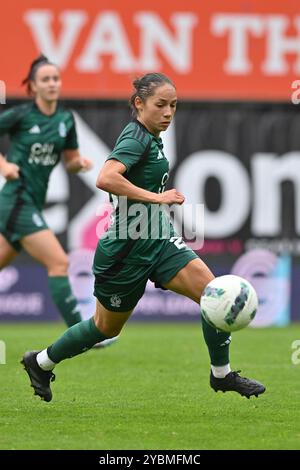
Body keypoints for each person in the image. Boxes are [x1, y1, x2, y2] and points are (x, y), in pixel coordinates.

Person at [21, 72, 266, 402]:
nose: (168, 112)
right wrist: (157, 198)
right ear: (139, 103)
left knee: (213, 295)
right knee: (104, 328)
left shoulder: (152, 136)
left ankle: (221, 375)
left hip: (159, 240)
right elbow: (106, 178)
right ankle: (40, 362)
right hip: (125, 251)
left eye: (174, 106)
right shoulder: (135, 137)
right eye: (161, 105)